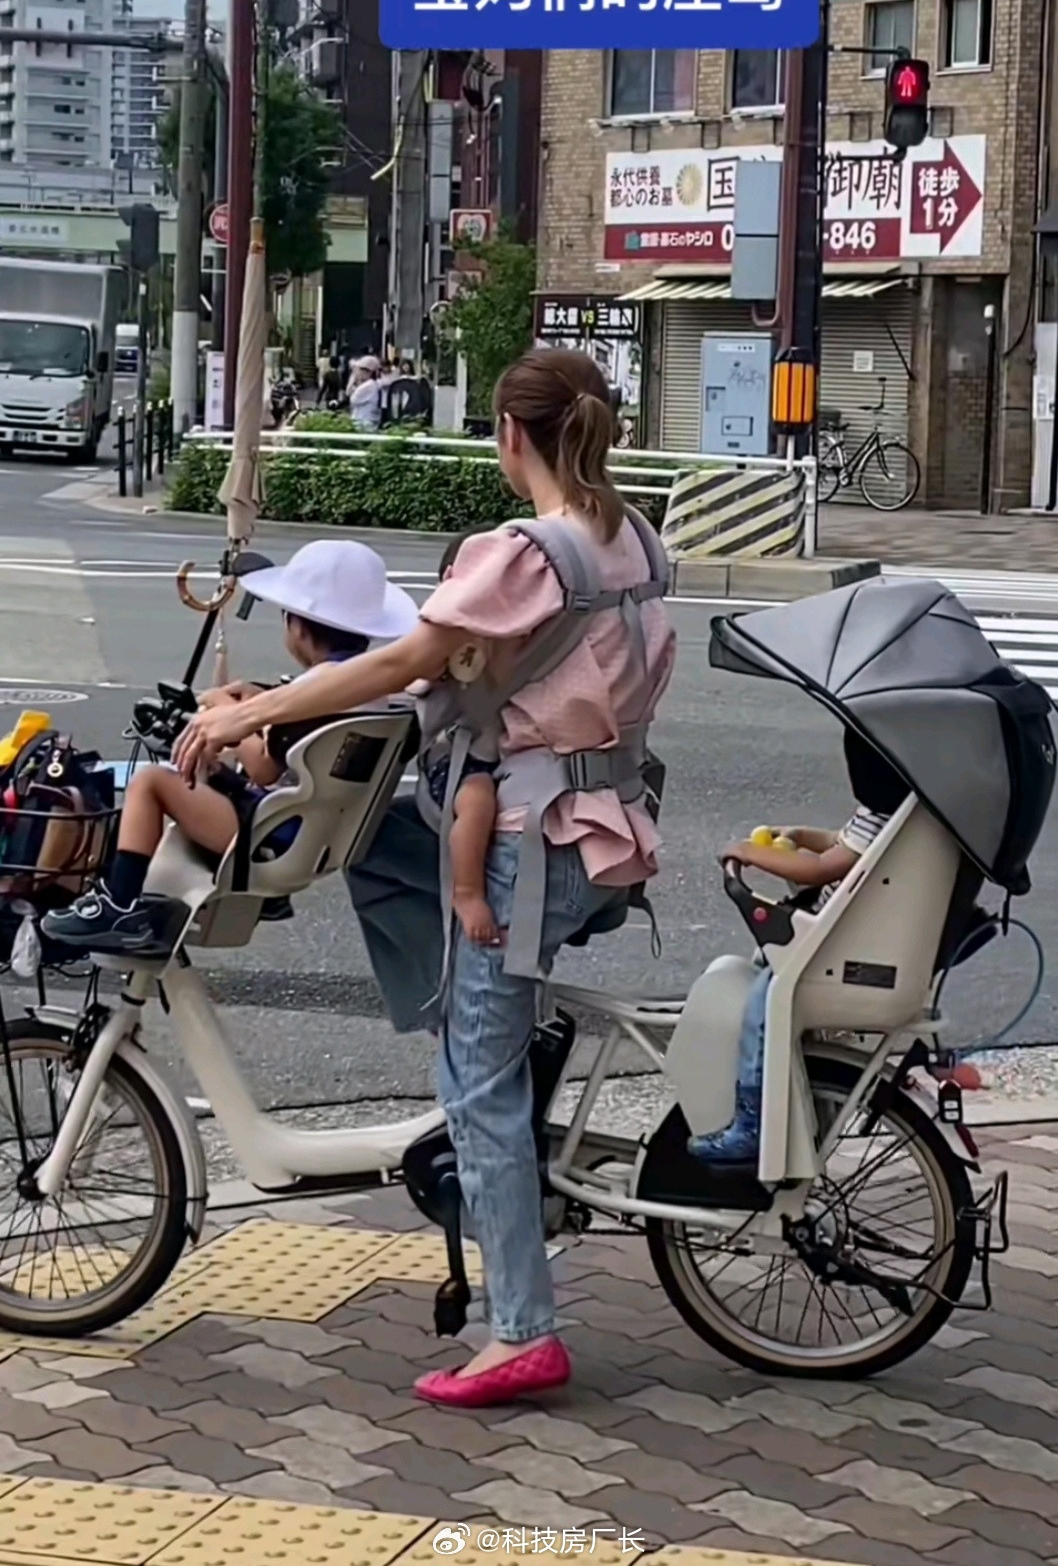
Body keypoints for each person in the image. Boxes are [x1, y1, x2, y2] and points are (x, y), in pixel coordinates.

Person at [174, 347, 676, 1409]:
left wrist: (252, 712)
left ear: (509, 436)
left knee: (476, 1087)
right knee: (392, 844)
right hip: (608, 827)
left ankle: (524, 1331)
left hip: (524, 843)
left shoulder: (522, 552)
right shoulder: (634, 538)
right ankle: (487, 1077)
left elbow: (406, 663)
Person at [43, 541, 418, 957]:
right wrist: (260, 701)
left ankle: (120, 904)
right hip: (312, 831)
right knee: (209, 772)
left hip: (271, 836)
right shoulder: (366, 687)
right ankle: (265, 897)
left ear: (297, 625)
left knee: (151, 782)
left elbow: (262, 769)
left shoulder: (314, 689)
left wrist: (227, 713)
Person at [689, 728, 909, 1168]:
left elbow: (819, 869)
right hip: (837, 940)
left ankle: (753, 1122)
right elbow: (837, 844)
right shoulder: (898, 808)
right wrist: (797, 835)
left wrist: (748, 854)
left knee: (765, 1006)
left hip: (826, 951)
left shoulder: (887, 814)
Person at [417, 533, 499, 945]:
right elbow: (415, 677)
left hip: (506, 754)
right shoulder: (439, 632)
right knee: (477, 798)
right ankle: (466, 891)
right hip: (458, 759)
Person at [348, 355, 382, 431]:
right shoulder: (372, 384)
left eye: (360, 369)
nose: (358, 372)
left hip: (363, 423)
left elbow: (352, 398)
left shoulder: (369, 385)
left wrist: (353, 380)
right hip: (366, 422)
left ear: (368, 371)